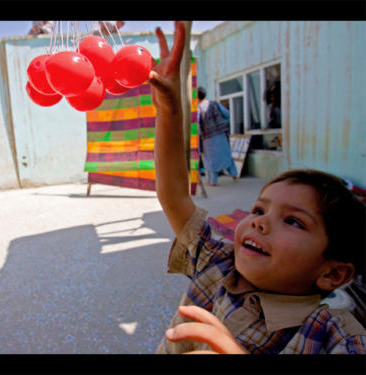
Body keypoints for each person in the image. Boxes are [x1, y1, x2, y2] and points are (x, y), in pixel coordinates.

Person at [148, 21, 366, 354]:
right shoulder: (219, 264)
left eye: (292, 220)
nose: (259, 222)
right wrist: (168, 110)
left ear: (333, 273)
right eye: (259, 209)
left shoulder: (336, 337)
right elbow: (175, 195)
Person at [197, 87, 238, 186]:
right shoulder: (215, 104)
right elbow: (227, 114)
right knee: (226, 154)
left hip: (208, 137)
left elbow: (196, 122)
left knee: (211, 159)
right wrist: (222, 123)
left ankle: (212, 181)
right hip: (221, 133)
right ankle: (234, 174)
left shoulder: (198, 108)